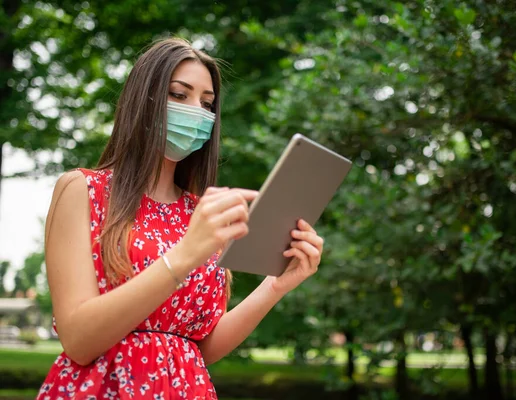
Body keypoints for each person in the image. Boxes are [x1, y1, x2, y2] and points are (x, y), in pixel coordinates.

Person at [36, 37, 323, 399]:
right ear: (143, 100)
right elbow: (78, 340)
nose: (197, 112)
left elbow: (196, 348)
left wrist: (274, 286)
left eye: (207, 103)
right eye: (179, 94)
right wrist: (185, 255)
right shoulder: (82, 190)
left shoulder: (198, 212)